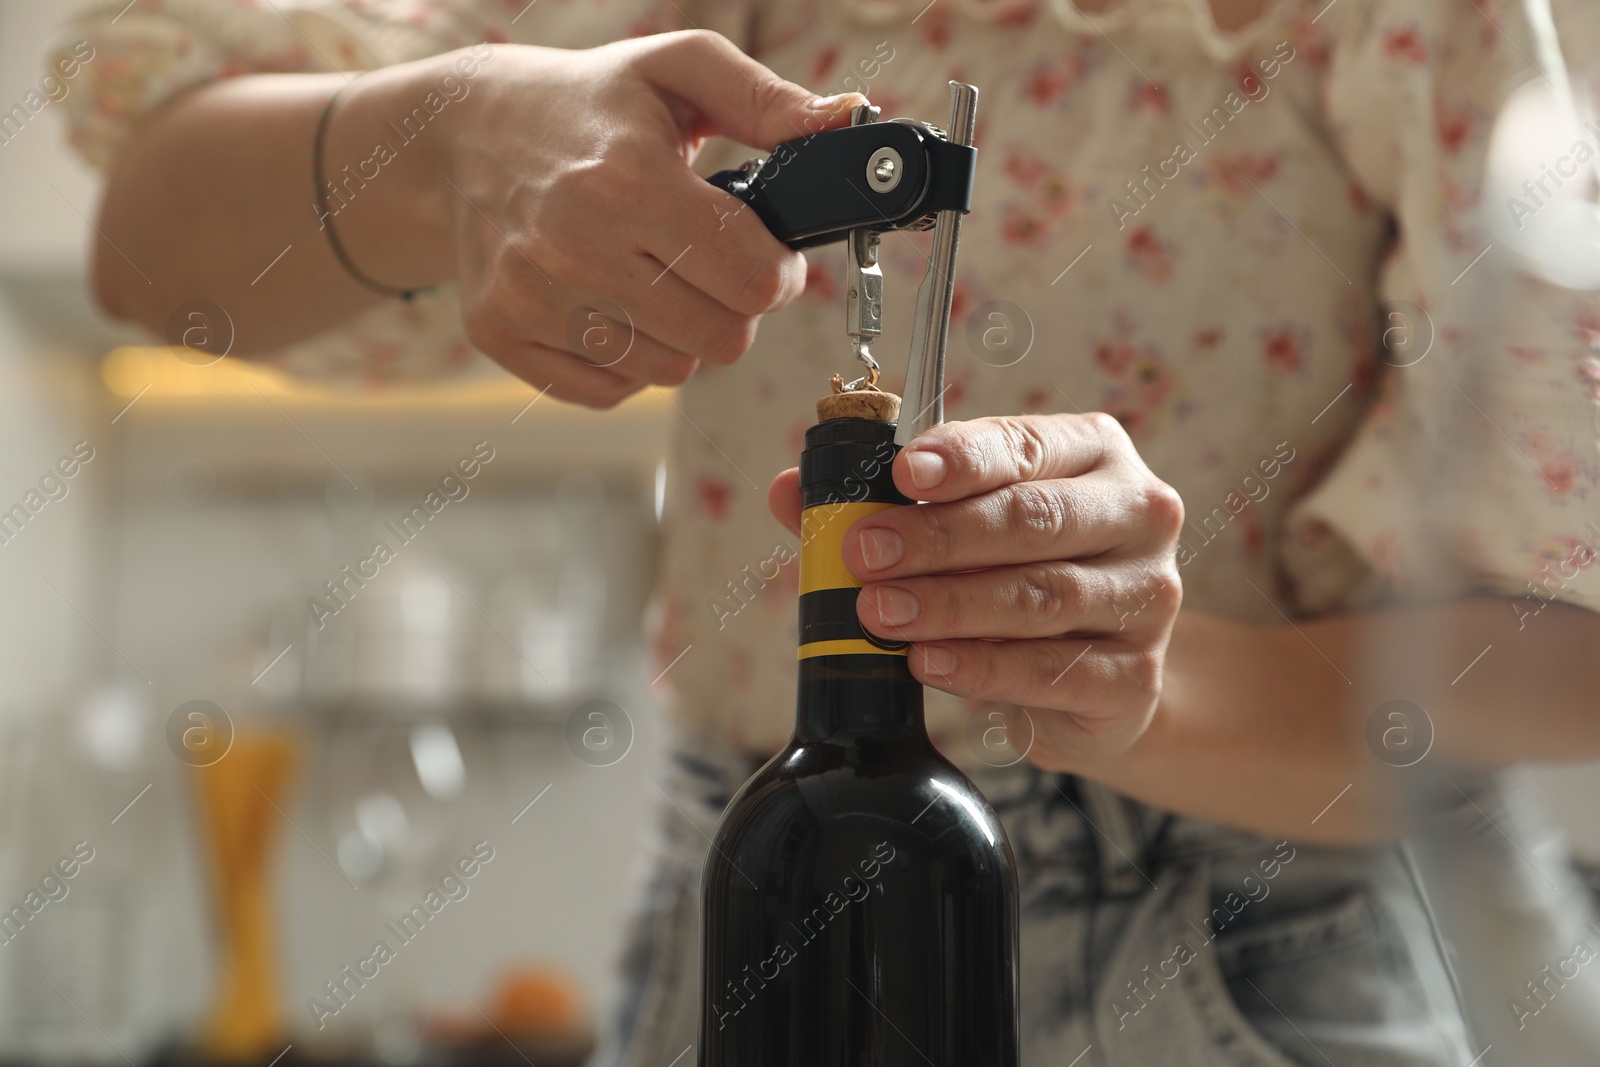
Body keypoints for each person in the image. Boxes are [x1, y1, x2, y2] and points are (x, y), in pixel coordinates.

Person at [56, 0, 1600, 1061]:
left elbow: (1563, 653)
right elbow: (153, 254)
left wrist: (1144, 681)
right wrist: (455, 139)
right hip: (757, 908)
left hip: (1242, 959)